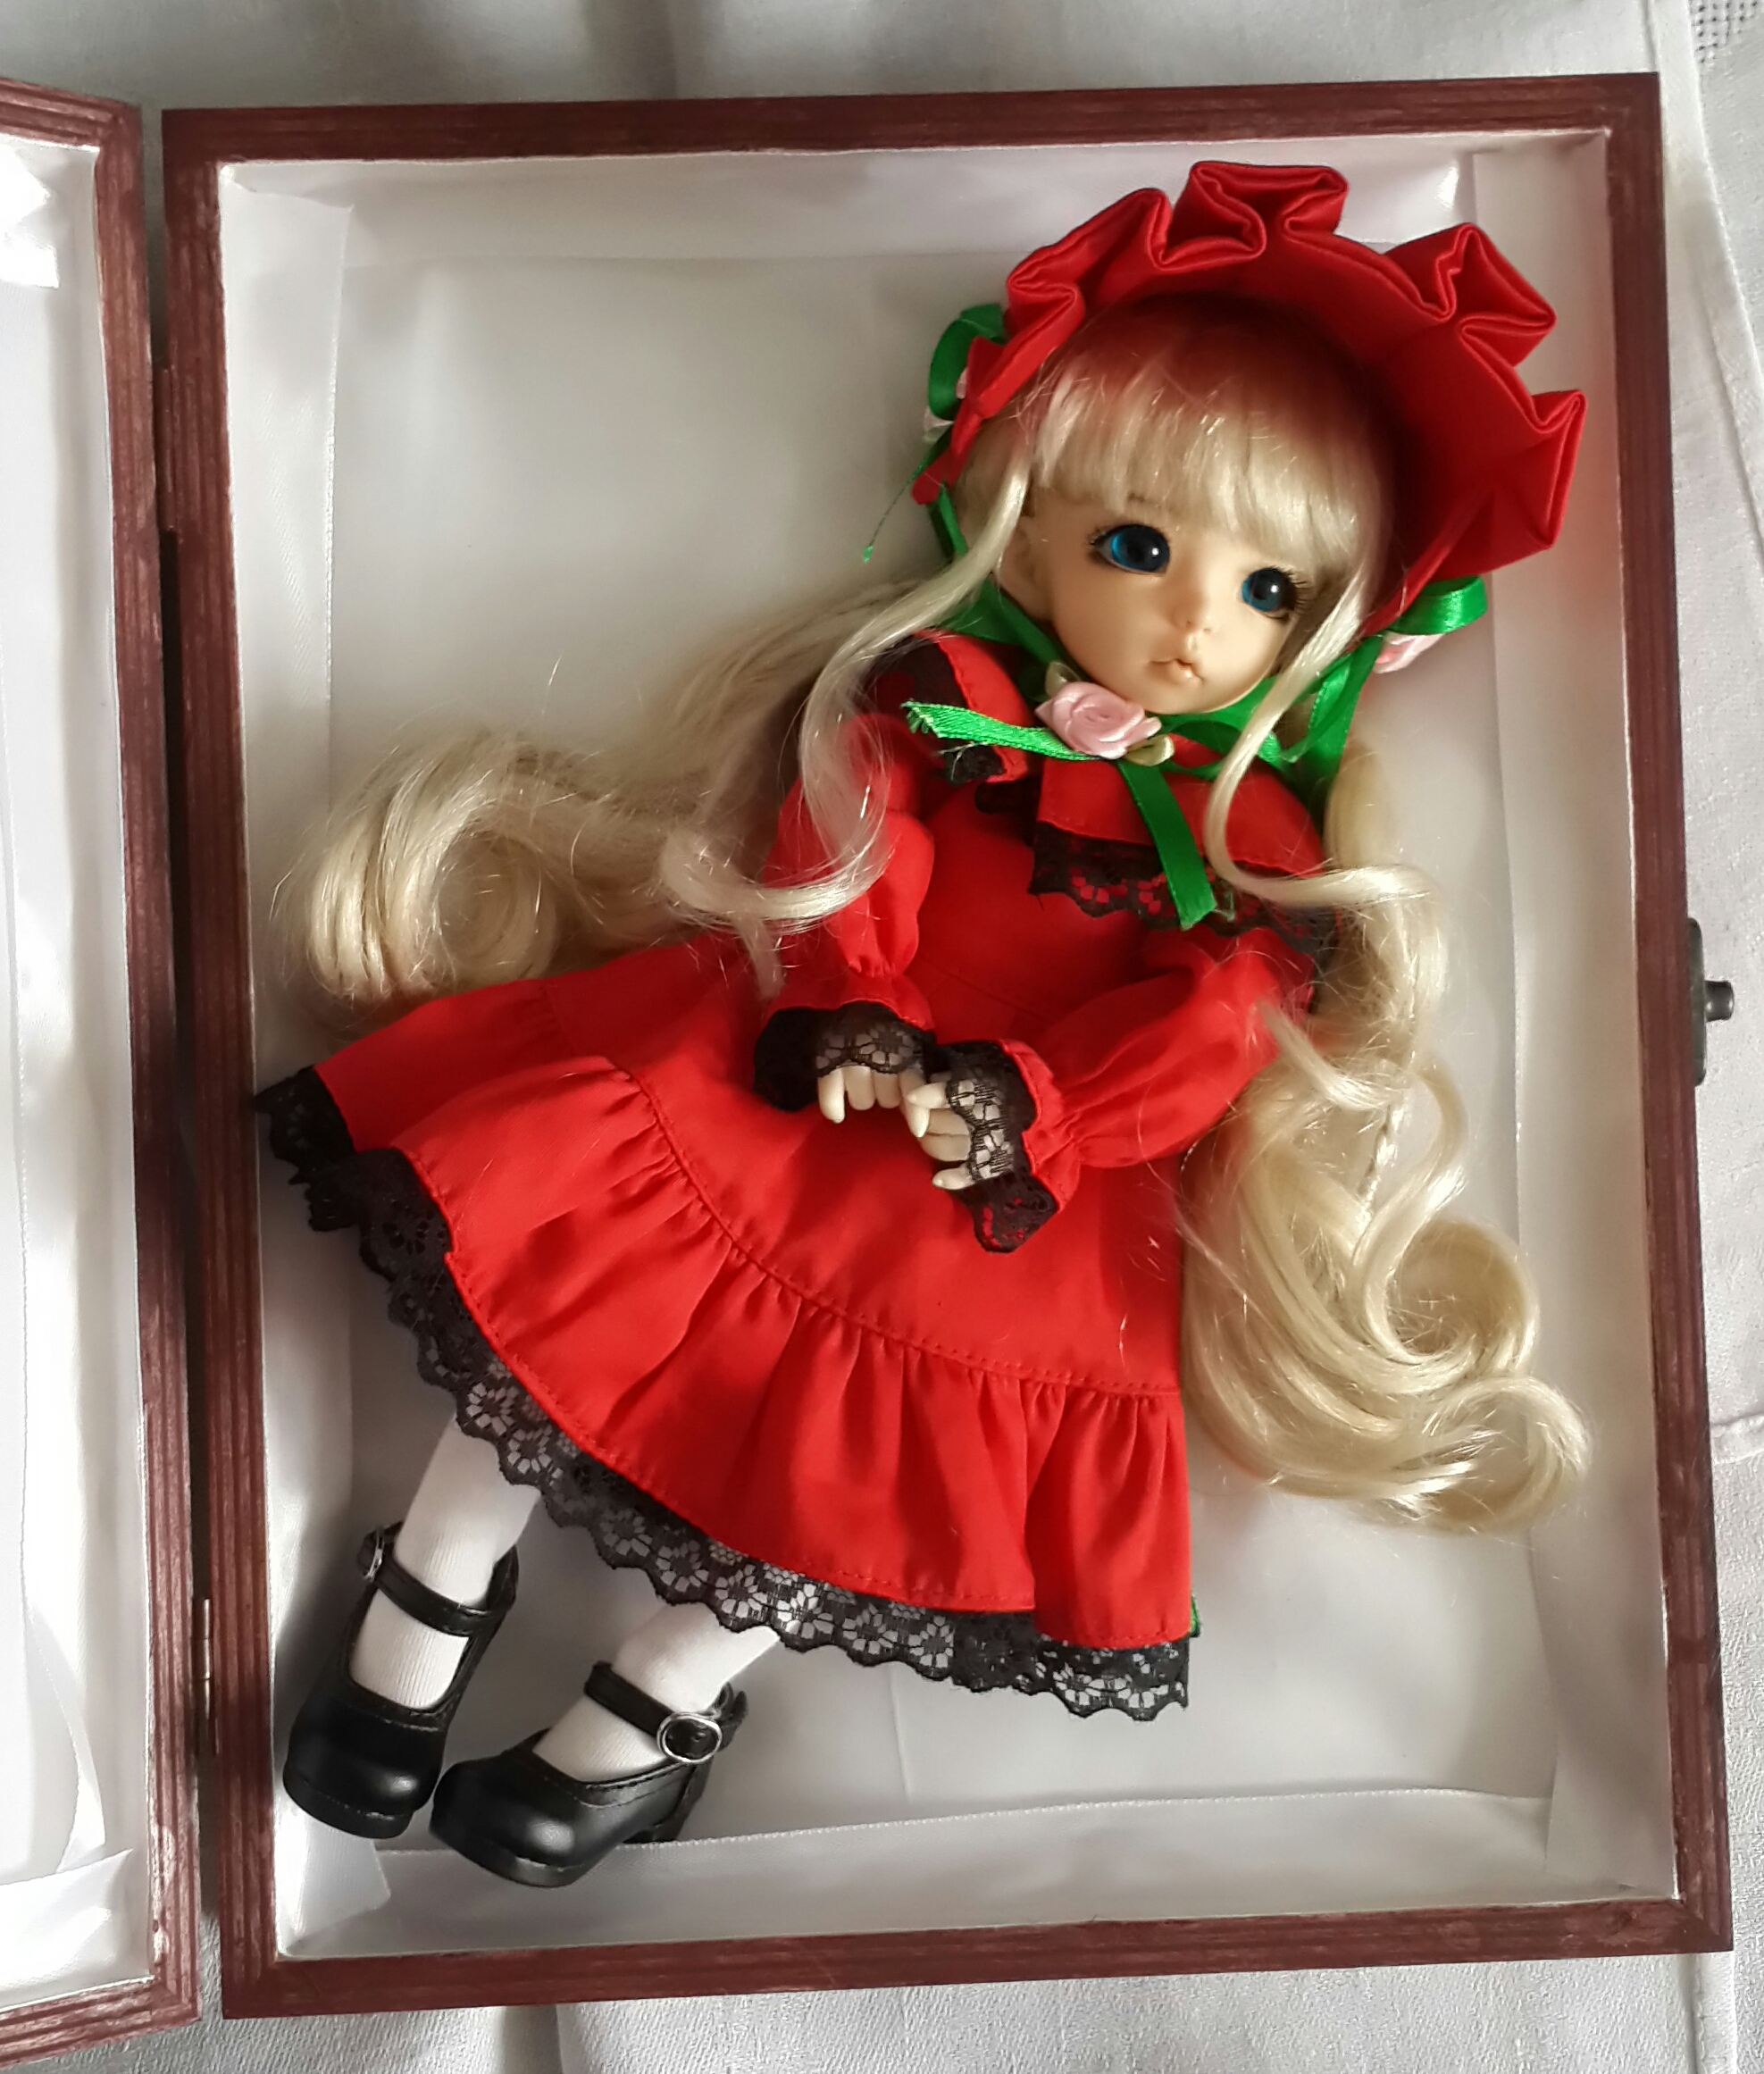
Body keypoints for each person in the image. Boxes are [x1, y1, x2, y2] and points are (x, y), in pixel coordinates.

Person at [262, 163, 1590, 1889]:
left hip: (1017, 1198)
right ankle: (422, 1600)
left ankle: (644, 1715)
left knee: (874, 1470)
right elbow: (848, 839)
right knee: (576, 1308)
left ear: (1335, 625)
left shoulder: (1257, 851)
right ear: (1025, 533)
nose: (1196, 618)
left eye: (1270, 589)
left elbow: (1212, 1031)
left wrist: (1039, 1102)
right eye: (1138, 547)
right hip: (806, 1074)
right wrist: (856, 1003)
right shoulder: (949, 708)